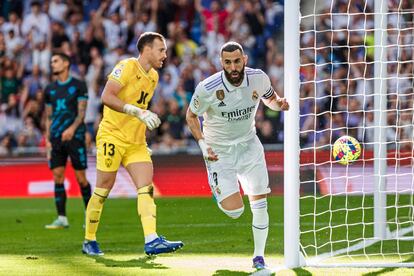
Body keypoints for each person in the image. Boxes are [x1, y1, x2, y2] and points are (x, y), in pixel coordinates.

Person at [186, 41, 289, 270]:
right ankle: (219, 188)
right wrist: (203, 145)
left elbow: (269, 98)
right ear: (221, 63)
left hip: (249, 146)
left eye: (237, 61)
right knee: (235, 211)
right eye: (228, 62)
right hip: (218, 152)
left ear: (245, 60)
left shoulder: (258, 78)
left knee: (259, 203)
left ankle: (259, 257)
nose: (233, 67)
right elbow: (191, 116)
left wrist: (279, 104)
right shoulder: (208, 87)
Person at [82, 32, 184, 256]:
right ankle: (89, 239)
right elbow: (106, 96)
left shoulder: (154, 77)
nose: (165, 55)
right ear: (147, 49)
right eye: (161, 50)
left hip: (135, 142)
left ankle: (152, 240)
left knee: (145, 188)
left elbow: (140, 108)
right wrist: (135, 111)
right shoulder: (126, 66)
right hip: (112, 136)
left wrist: (143, 131)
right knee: (103, 188)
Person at [44, 53, 92, 229]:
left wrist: (71, 129)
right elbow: (49, 116)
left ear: (66, 64)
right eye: (51, 62)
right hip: (56, 138)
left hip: (75, 137)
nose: (52, 64)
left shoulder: (79, 85)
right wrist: (48, 138)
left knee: (81, 178)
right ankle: (62, 218)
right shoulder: (49, 89)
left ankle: (90, 216)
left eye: (55, 61)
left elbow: (81, 113)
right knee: (57, 176)